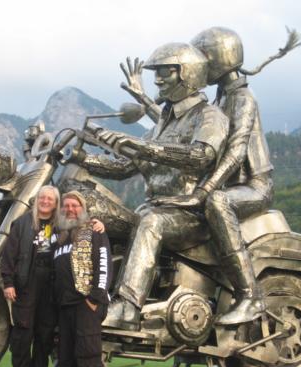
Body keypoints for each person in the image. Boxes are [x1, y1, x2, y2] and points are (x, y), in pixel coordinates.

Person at [120, 27, 301, 325]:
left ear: (218, 58)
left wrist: (203, 193)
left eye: (202, 57)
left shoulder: (242, 98)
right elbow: (177, 129)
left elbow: (236, 153)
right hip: (225, 185)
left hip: (252, 185)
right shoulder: (217, 102)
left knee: (217, 202)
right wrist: (143, 97)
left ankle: (250, 296)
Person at [75, 42, 229, 330]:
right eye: (155, 73)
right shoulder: (162, 124)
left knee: (151, 222)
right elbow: (125, 167)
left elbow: (201, 156)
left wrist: (143, 147)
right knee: (99, 215)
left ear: (187, 73)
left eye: (165, 72)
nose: (157, 80)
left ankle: (128, 306)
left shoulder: (209, 115)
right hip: (154, 207)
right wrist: (81, 158)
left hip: (190, 214)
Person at [51, 191, 112, 367]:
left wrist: (95, 298)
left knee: (88, 357)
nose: (70, 209)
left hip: (86, 304)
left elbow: (104, 265)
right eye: (66, 206)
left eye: (74, 206)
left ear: (82, 209)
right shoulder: (59, 237)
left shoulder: (94, 231)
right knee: (66, 360)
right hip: (64, 307)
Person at [0, 185, 60, 367]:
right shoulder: (22, 223)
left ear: (55, 203)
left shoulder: (62, 225)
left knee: (45, 334)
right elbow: (9, 255)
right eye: (42, 197)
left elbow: (82, 225)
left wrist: (97, 224)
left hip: (51, 285)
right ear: (37, 199)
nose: (45, 201)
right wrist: (8, 282)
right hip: (26, 282)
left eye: (50, 199)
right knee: (23, 332)